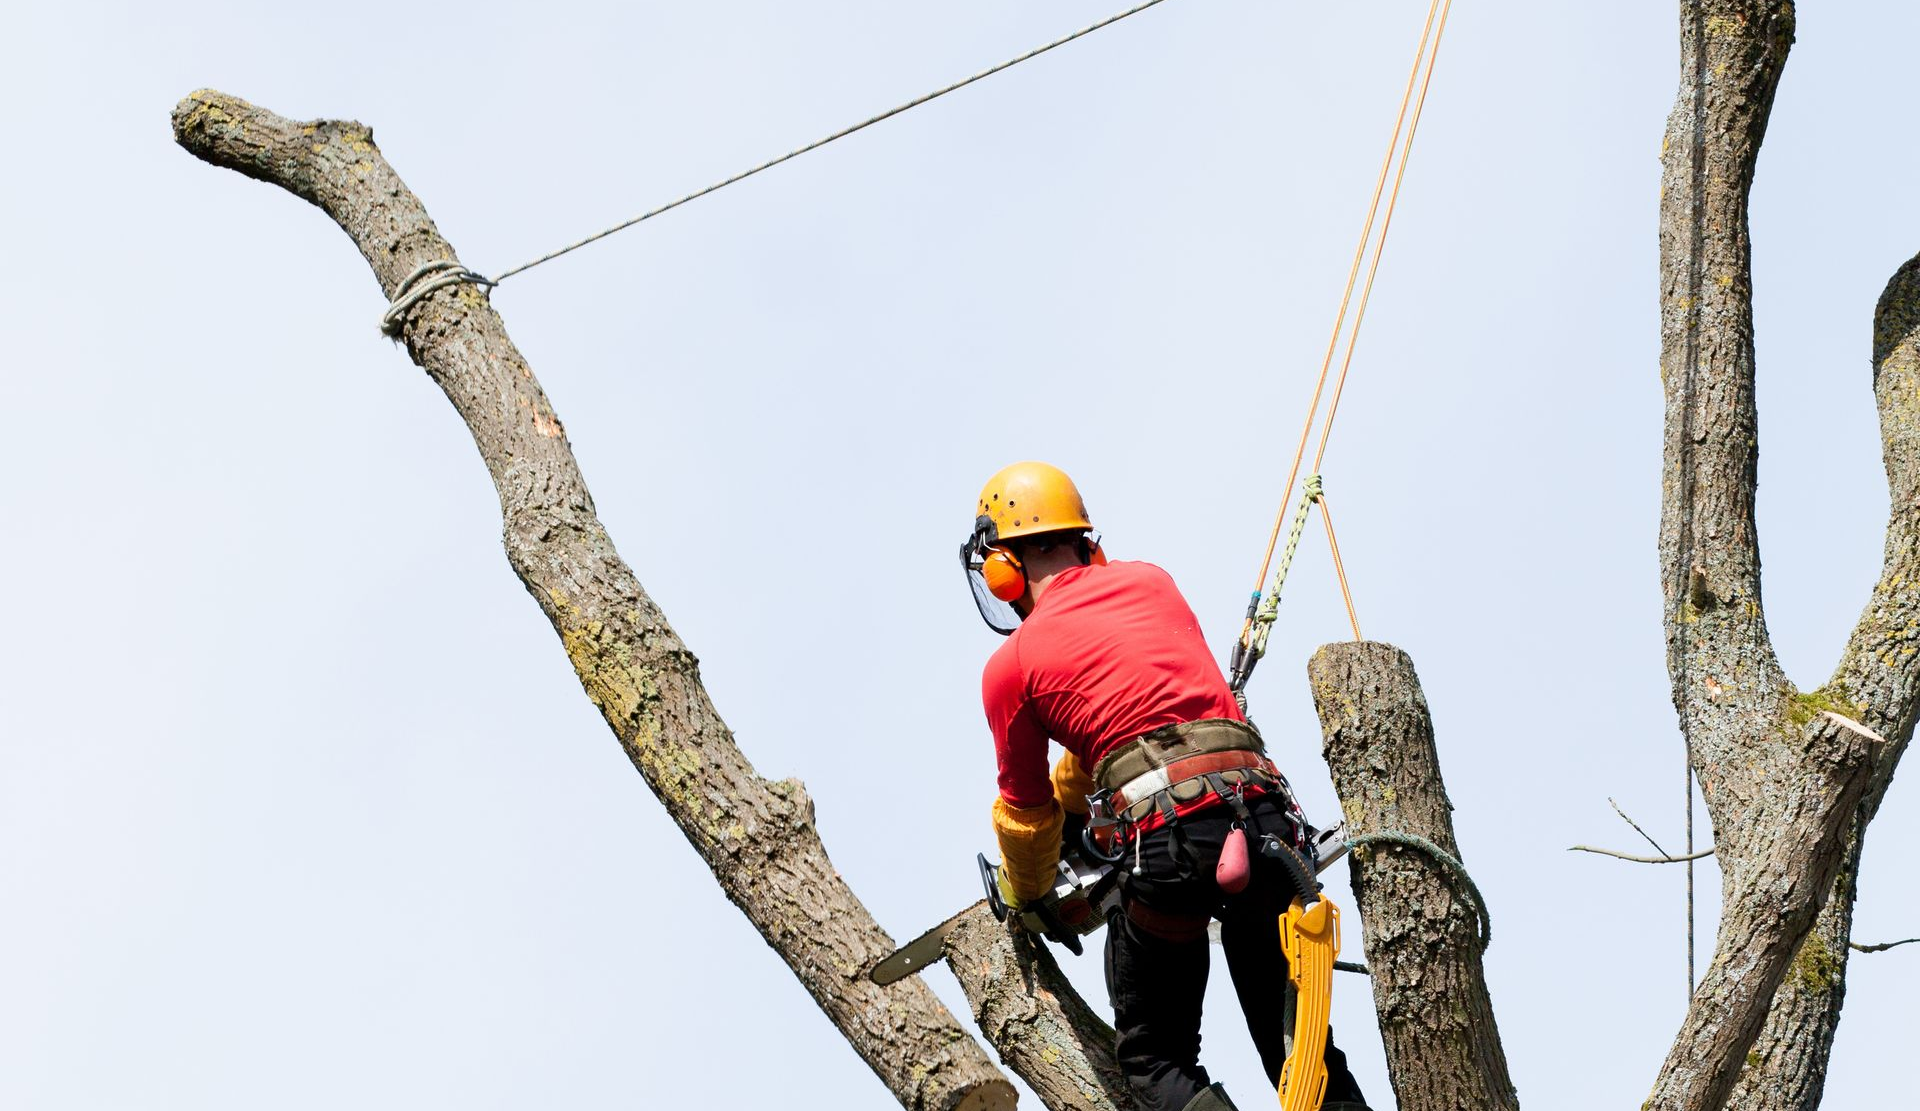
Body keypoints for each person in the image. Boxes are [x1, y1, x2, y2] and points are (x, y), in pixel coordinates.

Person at [960, 461, 1370, 1111]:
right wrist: (1079, 801)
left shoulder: (1012, 666)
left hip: (1170, 842)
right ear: (1086, 543)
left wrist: (1032, 891)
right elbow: (1139, 731)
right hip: (1262, 819)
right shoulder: (1152, 583)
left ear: (1003, 568)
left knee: (1155, 1057)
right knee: (1303, 1055)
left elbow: (1027, 813)